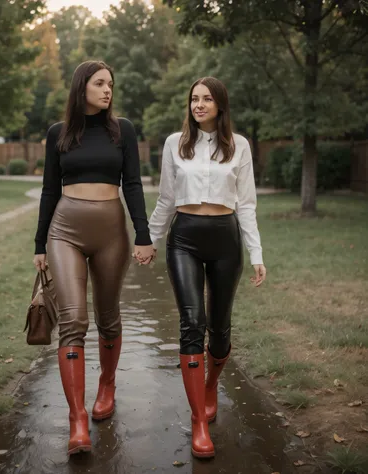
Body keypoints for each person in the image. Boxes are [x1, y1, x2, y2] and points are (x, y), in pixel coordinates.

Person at [33, 60, 154, 455]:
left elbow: (133, 183)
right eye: (101, 83)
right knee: (73, 321)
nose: (108, 91)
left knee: (107, 317)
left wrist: (143, 234)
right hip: (64, 229)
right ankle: (77, 420)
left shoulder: (123, 131)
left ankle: (107, 384)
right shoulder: (59, 134)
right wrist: (39, 245)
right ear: (82, 86)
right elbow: (50, 191)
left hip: (111, 233)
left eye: (111, 85)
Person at [148, 76, 267, 458]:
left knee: (219, 330)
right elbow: (166, 198)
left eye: (207, 99)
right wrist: (149, 239)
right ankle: (199, 421)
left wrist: (257, 253)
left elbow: (246, 203)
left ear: (220, 105)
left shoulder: (239, 146)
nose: (199, 104)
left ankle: (211, 383)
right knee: (191, 322)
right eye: (194, 99)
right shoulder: (174, 144)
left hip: (225, 239)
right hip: (183, 237)